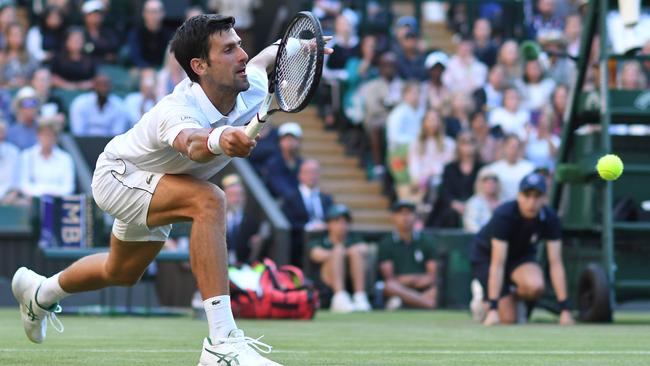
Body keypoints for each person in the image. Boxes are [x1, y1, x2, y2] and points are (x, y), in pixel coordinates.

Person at [12, 14, 331, 365]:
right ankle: (221, 343)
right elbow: (192, 144)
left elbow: (265, 58)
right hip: (118, 177)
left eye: (238, 43)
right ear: (199, 66)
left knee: (120, 272)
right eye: (228, 49)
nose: (241, 54)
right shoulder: (175, 109)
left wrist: (301, 47)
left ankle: (40, 292)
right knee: (209, 200)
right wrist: (220, 138)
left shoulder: (250, 83)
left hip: (160, 182)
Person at [469, 173, 574, 326]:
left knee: (535, 286)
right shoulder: (504, 215)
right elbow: (497, 263)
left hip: (519, 256)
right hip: (486, 257)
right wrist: (493, 309)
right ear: (519, 195)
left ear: (545, 198)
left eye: (537, 196)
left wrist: (565, 310)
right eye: (527, 195)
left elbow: (556, 263)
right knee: (508, 319)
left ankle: (511, 298)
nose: (532, 202)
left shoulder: (550, 218)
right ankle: (483, 299)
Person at [308, 203, 372, 313]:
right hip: (326, 284)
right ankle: (339, 296)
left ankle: (360, 296)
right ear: (329, 224)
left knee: (355, 252)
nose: (342, 225)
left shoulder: (354, 238)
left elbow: (365, 249)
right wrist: (338, 253)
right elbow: (316, 254)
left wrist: (349, 253)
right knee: (338, 251)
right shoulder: (319, 240)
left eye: (345, 222)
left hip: (350, 281)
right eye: (337, 221)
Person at [378, 200, 438, 310]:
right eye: (401, 213)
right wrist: (413, 280)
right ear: (393, 217)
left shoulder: (427, 241)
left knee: (436, 290)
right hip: (399, 289)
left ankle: (407, 303)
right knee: (389, 287)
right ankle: (426, 303)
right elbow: (390, 279)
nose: (405, 217)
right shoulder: (386, 243)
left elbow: (432, 276)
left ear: (415, 217)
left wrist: (411, 280)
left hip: (422, 288)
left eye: (409, 213)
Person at [280, 158, 334, 265]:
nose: (312, 176)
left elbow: (332, 219)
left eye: (315, 172)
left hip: (325, 241)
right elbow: (288, 223)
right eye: (308, 172)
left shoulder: (327, 199)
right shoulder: (290, 198)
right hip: (300, 244)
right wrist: (310, 227)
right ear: (300, 175)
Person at [17, 114, 74, 198]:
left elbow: (68, 187)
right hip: (33, 202)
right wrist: (42, 193)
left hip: (58, 203)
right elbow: (23, 185)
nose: (47, 138)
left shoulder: (65, 158)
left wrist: (51, 194)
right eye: (44, 134)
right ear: (38, 136)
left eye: (50, 135)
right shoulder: (27, 155)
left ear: (56, 137)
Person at [222, 174, 267, 265]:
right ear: (225, 198)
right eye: (231, 195)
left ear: (244, 198)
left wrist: (257, 247)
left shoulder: (253, 223)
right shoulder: (217, 221)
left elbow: (257, 256)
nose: (236, 199)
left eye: (239, 195)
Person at [485, 134, 534, 201]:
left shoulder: (529, 168)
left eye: (516, 147)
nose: (514, 150)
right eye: (511, 147)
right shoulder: (493, 169)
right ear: (504, 147)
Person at [262, 122, 303, 199]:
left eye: (293, 139)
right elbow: (280, 188)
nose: (290, 142)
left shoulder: (301, 163)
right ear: (280, 141)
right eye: (286, 139)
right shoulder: (273, 163)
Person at [127, 0, 172, 69]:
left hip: (163, 72)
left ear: (163, 13)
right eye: (149, 12)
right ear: (144, 14)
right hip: (141, 70)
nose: (153, 16)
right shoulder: (136, 33)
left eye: (156, 12)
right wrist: (147, 68)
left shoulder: (169, 35)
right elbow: (135, 57)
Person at [463, 168, 501, 233]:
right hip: (480, 239)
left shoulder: (503, 201)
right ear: (480, 184)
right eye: (486, 182)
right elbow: (471, 225)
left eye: (494, 181)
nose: (490, 184)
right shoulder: (474, 202)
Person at [0, 117, 19, 202]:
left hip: (9, 197)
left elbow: (15, 181)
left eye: (1, 132)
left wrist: (12, 194)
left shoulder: (14, 152)